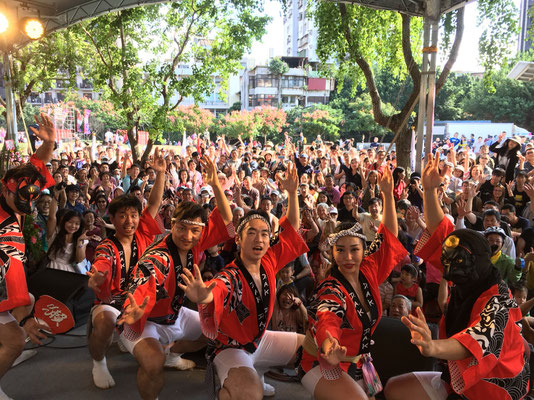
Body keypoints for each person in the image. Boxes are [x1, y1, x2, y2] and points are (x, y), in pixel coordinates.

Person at [384, 151, 530, 400]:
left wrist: (433, 347)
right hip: (456, 377)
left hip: (494, 389)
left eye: (456, 259)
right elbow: (443, 233)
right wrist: (430, 192)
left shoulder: (497, 300)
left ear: (477, 261)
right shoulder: (466, 274)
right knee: (394, 389)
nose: (449, 264)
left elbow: (476, 341)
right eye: (448, 259)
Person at [177, 161, 308, 399]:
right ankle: (225, 387)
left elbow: (293, 227)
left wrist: (292, 193)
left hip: (260, 341)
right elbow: (214, 291)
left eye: (265, 234)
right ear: (238, 239)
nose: (259, 239)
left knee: (313, 349)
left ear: (270, 240)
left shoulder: (269, 260)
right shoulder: (229, 276)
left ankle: (257, 370)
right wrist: (202, 295)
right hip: (231, 349)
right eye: (251, 233)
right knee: (250, 395)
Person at [117, 154, 234, 400]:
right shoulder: (159, 256)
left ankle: (173, 352)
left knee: (218, 327)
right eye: (181, 228)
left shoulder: (195, 243)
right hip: (146, 320)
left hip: (175, 315)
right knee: (152, 362)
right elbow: (142, 279)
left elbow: (226, 218)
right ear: (172, 224)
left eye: (194, 230)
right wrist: (134, 308)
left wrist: (215, 185)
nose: (187, 236)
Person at [299, 166, 407, 400]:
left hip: (360, 363)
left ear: (363, 250)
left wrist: (387, 195)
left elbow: (388, 235)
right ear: (333, 253)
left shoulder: (368, 269)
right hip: (322, 361)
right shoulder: (330, 288)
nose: (348, 257)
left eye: (354, 250)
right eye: (341, 251)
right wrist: (330, 345)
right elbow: (328, 318)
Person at [85, 148, 166, 390]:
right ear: (113, 218)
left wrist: (160, 174)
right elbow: (101, 263)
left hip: (138, 302)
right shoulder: (106, 245)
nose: (129, 221)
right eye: (122, 216)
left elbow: (153, 203)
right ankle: (98, 361)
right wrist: (97, 277)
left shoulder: (143, 232)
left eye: (133, 215)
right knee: (105, 322)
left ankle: (169, 352)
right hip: (111, 302)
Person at [0, 114, 57, 399]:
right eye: (20, 201)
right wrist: (25, 322)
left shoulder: (19, 186)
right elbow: (9, 274)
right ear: (5, 187)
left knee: (29, 301)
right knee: (13, 342)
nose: (27, 205)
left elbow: (36, 164)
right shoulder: (5, 227)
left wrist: (49, 143)